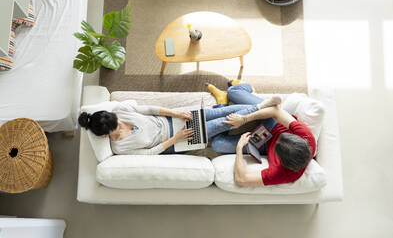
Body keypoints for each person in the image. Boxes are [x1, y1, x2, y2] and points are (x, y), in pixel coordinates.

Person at [78, 96, 280, 155]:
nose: (122, 124)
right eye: (118, 127)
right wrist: (175, 139)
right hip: (174, 141)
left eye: (119, 121)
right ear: (107, 135)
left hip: (172, 119)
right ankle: (262, 107)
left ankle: (259, 108)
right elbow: (149, 154)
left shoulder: (119, 112)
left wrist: (175, 112)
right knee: (219, 124)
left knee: (220, 112)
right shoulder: (119, 147)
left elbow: (148, 109)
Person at [207, 82, 316, 187]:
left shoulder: (285, 174)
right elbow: (275, 111)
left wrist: (239, 148)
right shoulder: (306, 137)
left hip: (264, 142)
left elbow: (242, 180)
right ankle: (248, 91)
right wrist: (244, 119)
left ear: (282, 160)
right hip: (274, 122)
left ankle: (222, 101)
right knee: (234, 91)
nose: (279, 138)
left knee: (217, 144)